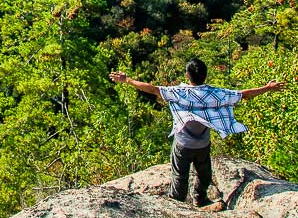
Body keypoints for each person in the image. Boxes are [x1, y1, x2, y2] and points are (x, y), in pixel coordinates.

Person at [109, 58, 288, 207]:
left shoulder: (180, 92)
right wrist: (267, 88)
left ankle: (176, 202)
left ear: (187, 75)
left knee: (180, 174)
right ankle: (199, 199)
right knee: (204, 174)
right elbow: (243, 94)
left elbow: (152, 88)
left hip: (183, 144)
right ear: (205, 75)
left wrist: (127, 80)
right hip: (203, 144)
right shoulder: (216, 94)